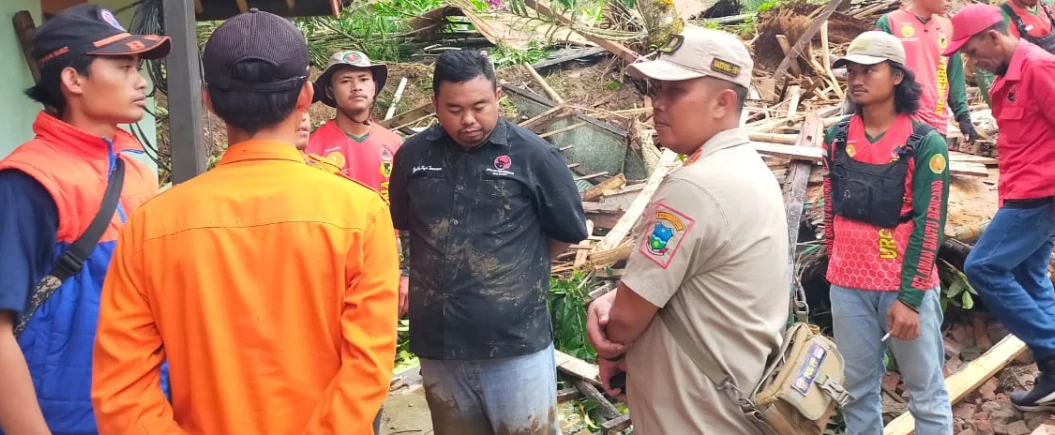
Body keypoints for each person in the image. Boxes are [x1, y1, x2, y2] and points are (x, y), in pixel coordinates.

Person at [92, 10, 399, 434]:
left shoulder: (150, 226)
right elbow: (367, 367)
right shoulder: (360, 216)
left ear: (209, 100)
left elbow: (123, 389)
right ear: (306, 96)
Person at [0, 3, 169, 435]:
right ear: (73, 79)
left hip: (142, 413)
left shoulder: (134, 167)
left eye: (138, 67)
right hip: (62, 420)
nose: (140, 82)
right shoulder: (23, 185)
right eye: (123, 67)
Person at [584, 27, 790, 433]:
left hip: (694, 417)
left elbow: (624, 322)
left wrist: (607, 319)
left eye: (675, 92)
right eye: (657, 90)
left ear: (722, 102)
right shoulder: (749, 169)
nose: (657, 105)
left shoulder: (694, 188)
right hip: (731, 402)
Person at [388, 50, 588, 435]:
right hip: (440, 344)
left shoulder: (534, 156)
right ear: (434, 104)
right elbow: (406, 228)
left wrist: (510, 268)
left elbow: (567, 231)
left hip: (515, 344)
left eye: (479, 106)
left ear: (498, 95)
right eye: (453, 108)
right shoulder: (413, 157)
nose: (467, 120)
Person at [943, 4, 1055, 415]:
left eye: (972, 51)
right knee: (1029, 277)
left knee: (983, 267)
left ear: (994, 35)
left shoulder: (1038, 67)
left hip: (1040, 194)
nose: (972, 61)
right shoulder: (1006, 77)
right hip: (1020, 189)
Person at [822, 30, 953, 435]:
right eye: (852, 71)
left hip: (901, 287)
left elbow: (930, 222)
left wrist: (911, 299)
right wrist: (834, 261)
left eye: (870, 71)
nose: (857, 79)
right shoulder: (838, 137)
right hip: (847, 285)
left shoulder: (923, 143)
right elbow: (830, 205)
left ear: (897, 76)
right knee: (857, 389)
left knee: (925, 392)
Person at [876, 0, 976, 141]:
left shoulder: (947, 27)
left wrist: (963, 116)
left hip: (936, 122)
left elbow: (954, 75)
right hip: (898, 120)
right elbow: (876, 72)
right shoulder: (890, 23)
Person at [306, 50, 402, 200]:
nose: (356, 87)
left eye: (363, 79)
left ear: (374, 87)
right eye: (345, 81)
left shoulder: (394, 144)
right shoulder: (311, 149)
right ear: (329, 92)